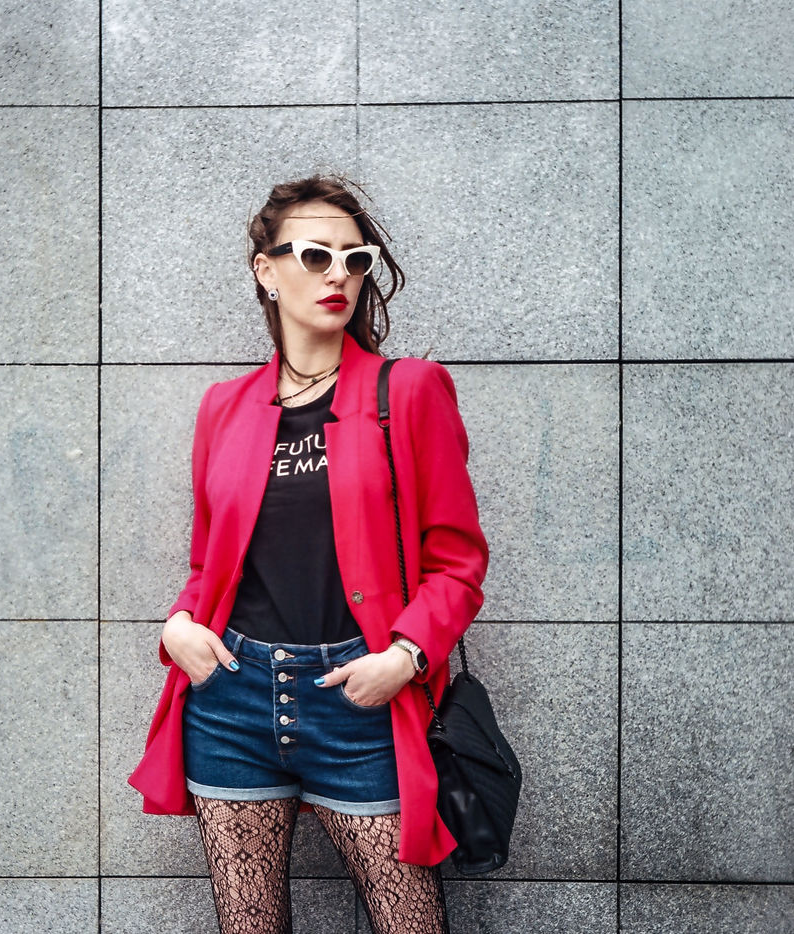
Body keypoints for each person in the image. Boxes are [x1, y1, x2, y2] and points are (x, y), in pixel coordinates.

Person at [129, 175, 488, 934]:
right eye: (316, 255)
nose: (339, 275)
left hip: (361, 703)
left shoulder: (409, 391)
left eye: (356, 259)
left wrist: (404, 658)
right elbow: (209, 564)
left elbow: (457, 562)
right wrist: (178, 627)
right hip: (231, 701)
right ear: (267, 270)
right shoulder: (225, 408)